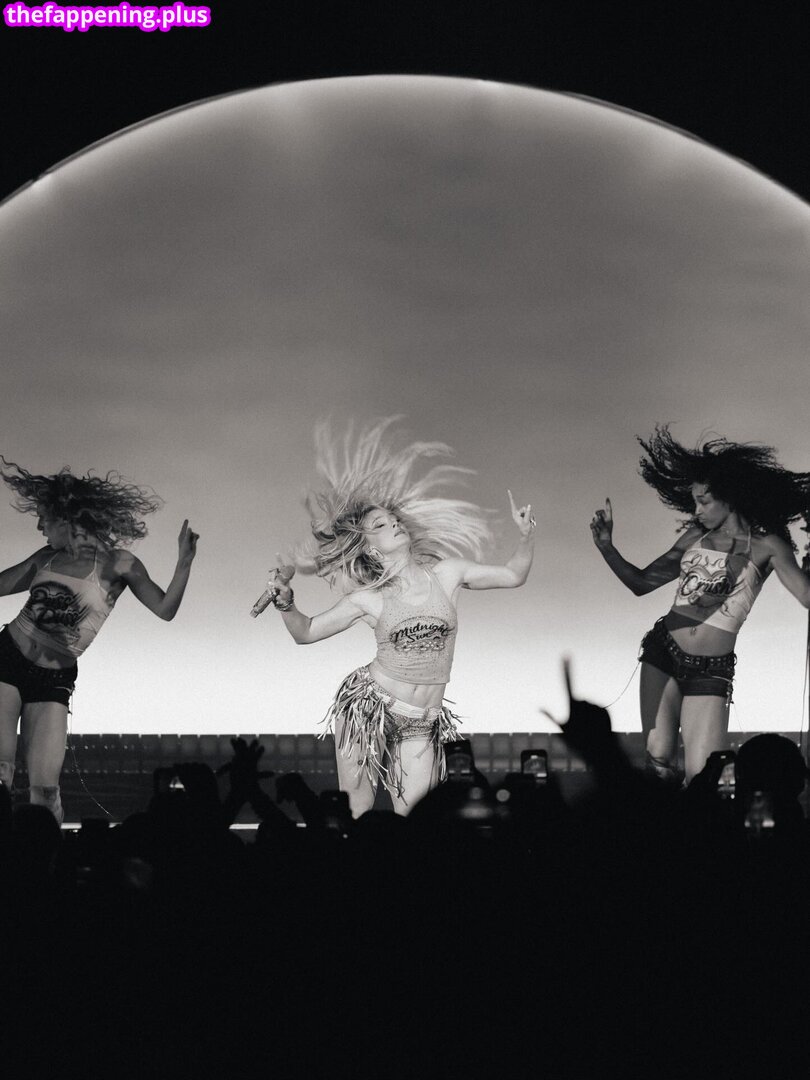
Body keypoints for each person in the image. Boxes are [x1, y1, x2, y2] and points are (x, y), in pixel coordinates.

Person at [262, 419, 536, 818]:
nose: (392, 523)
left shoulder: (448, 574)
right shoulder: (369, 599)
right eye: (379, 525)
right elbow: (305, 633)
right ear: (371, 549)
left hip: (423, 720)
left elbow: (513, 575)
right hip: (368, 706)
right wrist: (286, 603)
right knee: (357, 808)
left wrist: (526, 536)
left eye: (392, 519)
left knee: (416, 817)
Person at [590, 426, 810, 783]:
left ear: (730, 497)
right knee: (658, 760)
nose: (697, 510)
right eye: (694, 501)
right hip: (663, 652)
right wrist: (606, 547)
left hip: (711, 669)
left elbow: (806, 596)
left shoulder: (767, 546)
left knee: (704, 775)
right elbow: (641, 583)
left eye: (704, 501)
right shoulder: (696, 535)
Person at [0, 461, 198, 822]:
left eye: (44, 518)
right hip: (7, 660)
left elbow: (165, 609)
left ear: (66, 518)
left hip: (53, 680)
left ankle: (44, 852)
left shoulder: (120, 564)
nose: (40, 527)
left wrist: (183, 564)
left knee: (45, 792)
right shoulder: (46, 558)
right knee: (0, 773)